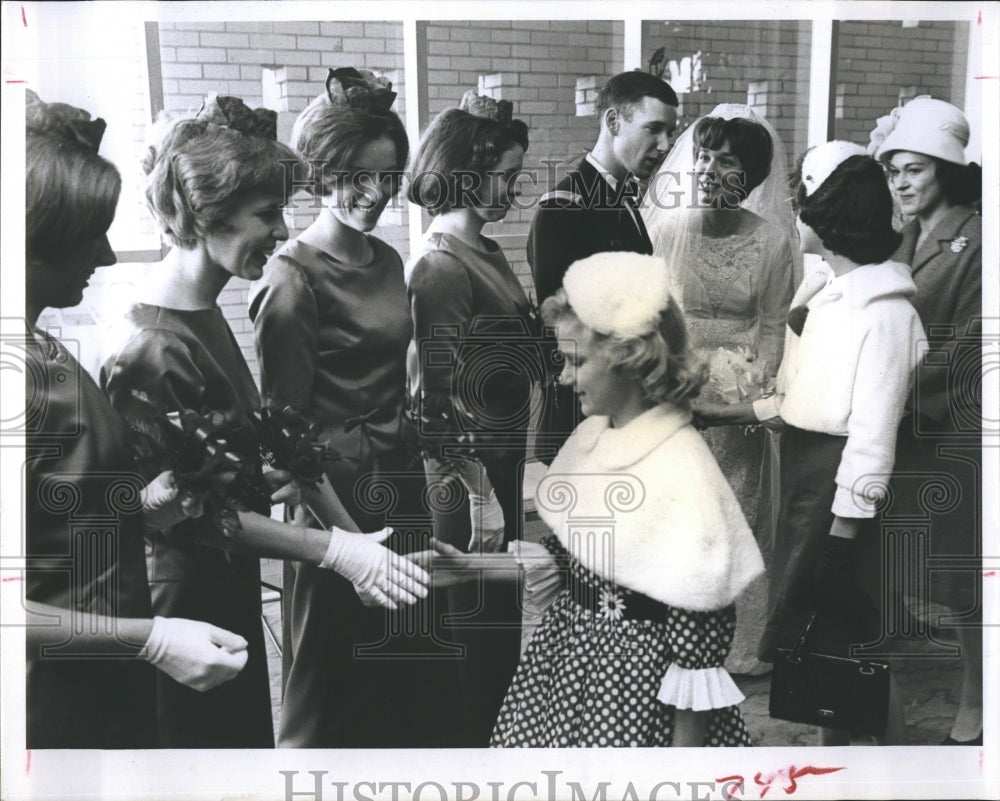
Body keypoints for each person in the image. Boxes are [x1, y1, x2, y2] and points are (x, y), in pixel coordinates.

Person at [101, 94, 429, 748]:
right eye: (267, 213)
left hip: (228, 585)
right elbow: (185, 513)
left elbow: (257, 450)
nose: (283, 232)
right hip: (185, 601)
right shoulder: (151, 344)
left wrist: (336, 528)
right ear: (204, 213)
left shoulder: (201, 312)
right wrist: (336, 548)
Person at [24, 90, 249, 748]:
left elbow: (61, 518)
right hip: (46, 703)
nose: (106, 256)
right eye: (87, 236)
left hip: (104, 686)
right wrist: (148, 638)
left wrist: (152, 504)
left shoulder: (44, 348)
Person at [248, 69, 456, 748]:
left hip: (399, 481)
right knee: (332, 682)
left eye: (387, 175)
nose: (373, 193)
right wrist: (345, 546)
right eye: (353, 176)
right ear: (320, 173)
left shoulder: (392, 261)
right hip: (329, 498)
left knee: (404, 671)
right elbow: (283, 437)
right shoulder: (290, 276)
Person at [480, 251, 764, 746]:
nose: (564, 378)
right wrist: (462, 567)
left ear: (629, 359)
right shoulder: (594, 437)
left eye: (575, 361)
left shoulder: (681, 466)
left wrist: (684, 770)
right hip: (571, 666)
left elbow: (696, 625)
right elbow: (573, 556)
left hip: (635, 686)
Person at [744, 142, 926, 745]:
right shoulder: (828, 290)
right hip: (807, 474)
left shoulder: (884, 311)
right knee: (819, 635)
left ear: (831, 219)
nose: (794, 218)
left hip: (841, 491)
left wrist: (847, 529)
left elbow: (873, 433)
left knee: (848, 633)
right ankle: (836, 760)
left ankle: (893, 767)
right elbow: (812, 390)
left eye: (803, 206)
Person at [641, 104, 797, 674]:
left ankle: (734, 645)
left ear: (750, 175)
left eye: (724, 160)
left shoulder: (774, 242)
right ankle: (665, 634)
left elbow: (775, 323)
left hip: (736, 398)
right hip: (671, 386)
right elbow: (647, 312)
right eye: (702, 155)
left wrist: (757, 391)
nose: (706, 168)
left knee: (732, 514)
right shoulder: (664, 229)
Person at [405, 90, 538, 743]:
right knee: (470, 633)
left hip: (501, 462)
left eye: (515, 179)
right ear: (462, 170)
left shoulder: (484, 246)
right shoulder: (439, 264)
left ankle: (493, 748)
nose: (510, 192)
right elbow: (428, 403)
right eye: (503, 178)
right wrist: (479, 494)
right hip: (465, 480)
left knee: (498, 630)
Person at [871, 96, 983, 746]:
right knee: (921, 564)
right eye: (894, 171)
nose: (903, 183)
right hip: (910, 420)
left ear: (946, 167)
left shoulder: (977, 238)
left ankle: (976, 695)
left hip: (955, 423)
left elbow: (969, 341)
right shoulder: (907, 235)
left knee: (964, 574)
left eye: (915, 169)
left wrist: (892, 379)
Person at [527, 70, 678, 457]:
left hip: (628, 407)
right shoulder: (564, 207)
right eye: (654, 130)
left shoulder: (625, 202)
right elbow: (560, 332)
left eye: (670, 133)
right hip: (585, 413)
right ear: (613, 122)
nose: (664, 145)